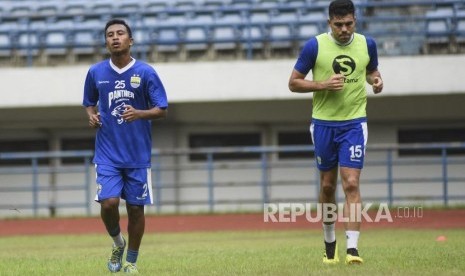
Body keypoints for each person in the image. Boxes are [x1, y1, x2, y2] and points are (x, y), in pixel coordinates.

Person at [288, 0, 383, 265]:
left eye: (349, 24)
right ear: (329, 22)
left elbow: (371, 70)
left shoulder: (368, 44)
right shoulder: (315, 46)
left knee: (351, 183)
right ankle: (330, 244)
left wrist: (376, 80)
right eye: (339, 25)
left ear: (355, 20)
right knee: (328, 186)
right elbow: (293, 83)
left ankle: (353, 249)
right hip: (323, 125)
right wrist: (322, 84)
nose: (344, 29)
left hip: (354, 123)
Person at [82, 19, 168, 273]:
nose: (115, 37)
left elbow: (161, 110)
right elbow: (89, 102)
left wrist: (139, 114)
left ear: (130, 40)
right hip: (107, 152)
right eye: (110, 35)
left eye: (120, 33)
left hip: (137, 154)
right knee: (108, 203)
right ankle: (118, 243)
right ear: (106, 42)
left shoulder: (146, 72)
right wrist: (91, 114)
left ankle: (131, 260)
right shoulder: (96, 72)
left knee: (135, 209)